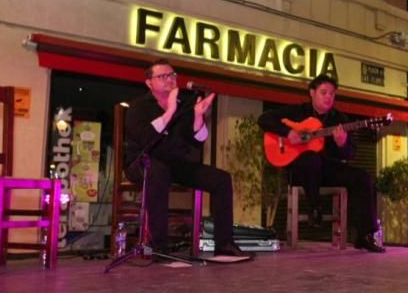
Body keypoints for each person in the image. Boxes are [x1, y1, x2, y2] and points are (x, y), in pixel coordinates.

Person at [124, 62, 248, 258]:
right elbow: (146, 138)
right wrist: (170, 110)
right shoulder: (138, 107)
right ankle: (159, 248)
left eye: (172, 75)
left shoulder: (184, 106)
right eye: (163, 76)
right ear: (149, 83)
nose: (170, 79)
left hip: (173, 164)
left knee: (221, 179)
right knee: (158, 171)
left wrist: (198, 117)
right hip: (142, 163)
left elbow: (196, 141)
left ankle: (224, 244)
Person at [258, 74, 384, 252]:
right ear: (312, 92)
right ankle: (315, 208)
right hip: (303, 170)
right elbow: (264, 119)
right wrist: (288, 133)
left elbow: (350, 153)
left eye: (332, 94)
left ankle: (364, 235)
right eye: (324, 92)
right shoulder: (298, 111)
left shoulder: (340, 119)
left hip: (330, 170)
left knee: (363, 178)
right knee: (311, 159)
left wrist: (342, 144)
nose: (328, 97)